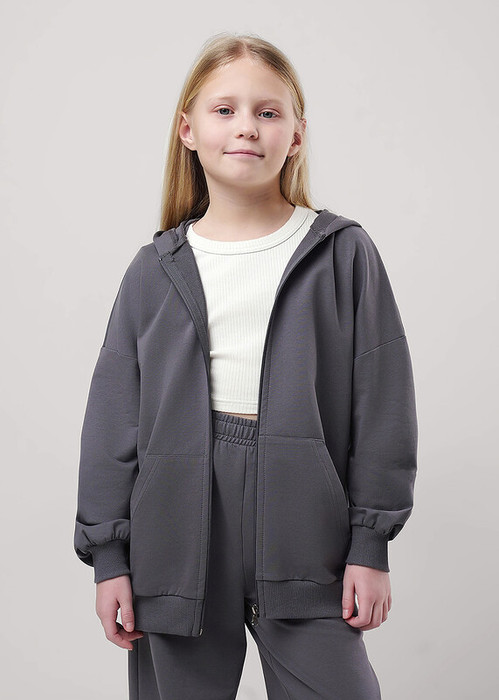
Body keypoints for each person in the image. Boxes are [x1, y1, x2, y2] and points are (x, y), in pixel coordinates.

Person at [74, 32, 418, 699]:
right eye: (224, 110)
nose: (246, 128)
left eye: (267, 112)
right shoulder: (154, 270)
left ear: (296, 135)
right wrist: (108, 557)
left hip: (306, 523)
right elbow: (112, 417)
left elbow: (382, 403)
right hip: (174, 528)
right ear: (188, 130)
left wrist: (369, 543)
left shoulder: (341, 253)